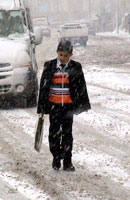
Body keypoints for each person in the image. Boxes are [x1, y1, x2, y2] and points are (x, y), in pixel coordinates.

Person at [37, 40, 91, 172]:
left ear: (70, 55)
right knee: (53, 134)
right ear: (57, 53)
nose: (62, 58)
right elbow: (43, 88)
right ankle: (56, 157)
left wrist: (82, 105)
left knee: (67, 134)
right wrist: (42, 107)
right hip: (54, 106)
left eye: (66, 56)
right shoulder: (49, 66)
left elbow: (81, 86)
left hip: (68, 107)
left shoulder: (75, 67)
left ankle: (67, 160)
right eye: (60, 55)